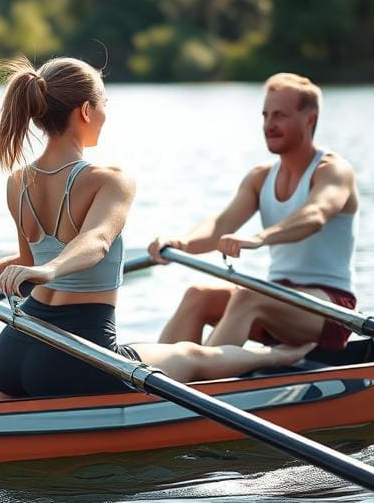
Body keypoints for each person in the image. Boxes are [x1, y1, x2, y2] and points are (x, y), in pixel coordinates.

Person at [0, 57, 312, 402]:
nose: (107, 112)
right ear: (86, 111)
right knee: (194, 356)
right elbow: (97, 241)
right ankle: (283, 356)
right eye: (104, 102)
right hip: (78, 355)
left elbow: (26, 262)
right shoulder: (109, 178)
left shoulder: (19, 181)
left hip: (14, 349)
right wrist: (48, 270)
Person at [151, 72, 359, 350]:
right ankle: (155, 381)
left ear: (309, 119)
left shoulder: (333, 170)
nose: (269, 125)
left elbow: (314, 216)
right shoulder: (260, 177)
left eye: (280, 116)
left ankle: (201, 377)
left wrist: (259, 238)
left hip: (331, 310)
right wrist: (179, 243)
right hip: (277, 302)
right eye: (265, 115)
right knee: (197, 295)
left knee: (248, 297)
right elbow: (220, 226)